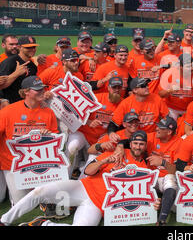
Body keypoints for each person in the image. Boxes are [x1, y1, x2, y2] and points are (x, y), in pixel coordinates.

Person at [0, 130, 151, 226]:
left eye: (141, 144)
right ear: (130, 144)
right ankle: (4, 220)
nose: (138, 147)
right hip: (82, 188)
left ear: (145, 147)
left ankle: (44, 224)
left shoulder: (144, 169)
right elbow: (89, 170)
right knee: (40, 191)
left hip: (98, 206)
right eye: (135, 143)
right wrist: (105, 161)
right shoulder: (117, 154)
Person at [0, 75, 58, 205]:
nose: (42, 91)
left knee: (45, 199)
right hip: (12, 164)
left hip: (37, 164)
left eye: (42, 88)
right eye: (37, 89)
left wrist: (48, 136)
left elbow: (55, 141)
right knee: (21, 203)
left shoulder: (48, 112)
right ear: (26, 92)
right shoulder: (8, 111)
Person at [68, 77, 124, 177]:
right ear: (108, 88)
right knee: (72, 146)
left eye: (119, 87)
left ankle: (81, 174)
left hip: (101, 141)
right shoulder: (96, 99)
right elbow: (73, 114)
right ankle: (66, 177)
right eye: (114, 87)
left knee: (91, 165)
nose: (117, 90)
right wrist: (88, 122)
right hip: (84, 134)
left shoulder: (123, 104)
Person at [0, 36, 39, 104]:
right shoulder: (9, 62)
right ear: (19, 47)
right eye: (28, 47)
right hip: (10, 104)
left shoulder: (33, 66)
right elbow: (1, 86)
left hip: (25, 104)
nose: (32, 49)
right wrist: (16, 73)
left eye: (34, 47)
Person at [158, 53, 193, 121]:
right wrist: (170, 91)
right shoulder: (169, 75)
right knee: (168, 127)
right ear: (180, 67)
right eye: (188, 66)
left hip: (188, 108)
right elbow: (161, 94)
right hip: (171, 108)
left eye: (192, 65)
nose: (191, 68)